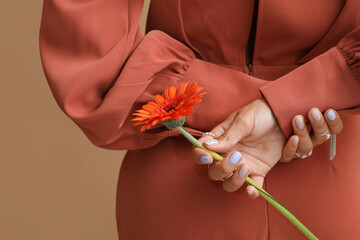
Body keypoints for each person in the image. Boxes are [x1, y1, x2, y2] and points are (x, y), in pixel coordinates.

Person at [39, 0, 360, 239]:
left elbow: (87, 55)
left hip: (187, 166)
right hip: (334, 150)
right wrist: (299, 97)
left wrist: (277, 106)